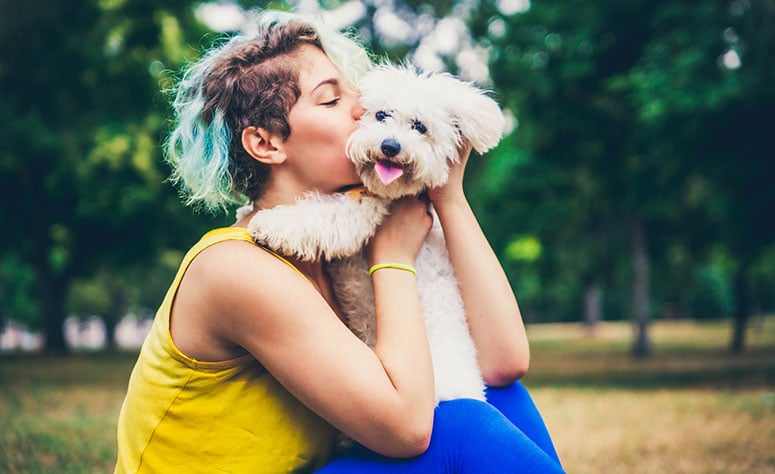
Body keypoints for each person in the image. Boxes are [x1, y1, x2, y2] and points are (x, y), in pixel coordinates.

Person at [114, 10, 564, 474]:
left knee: (501, 397)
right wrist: (392, 257)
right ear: (266, 144)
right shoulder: (234, 266)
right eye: (330, 99)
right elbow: (408, 429)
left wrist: (448, 196)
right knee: (463, 424)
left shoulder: (350, 235)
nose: (359, 108)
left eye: (356, 92)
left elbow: (504, 363)